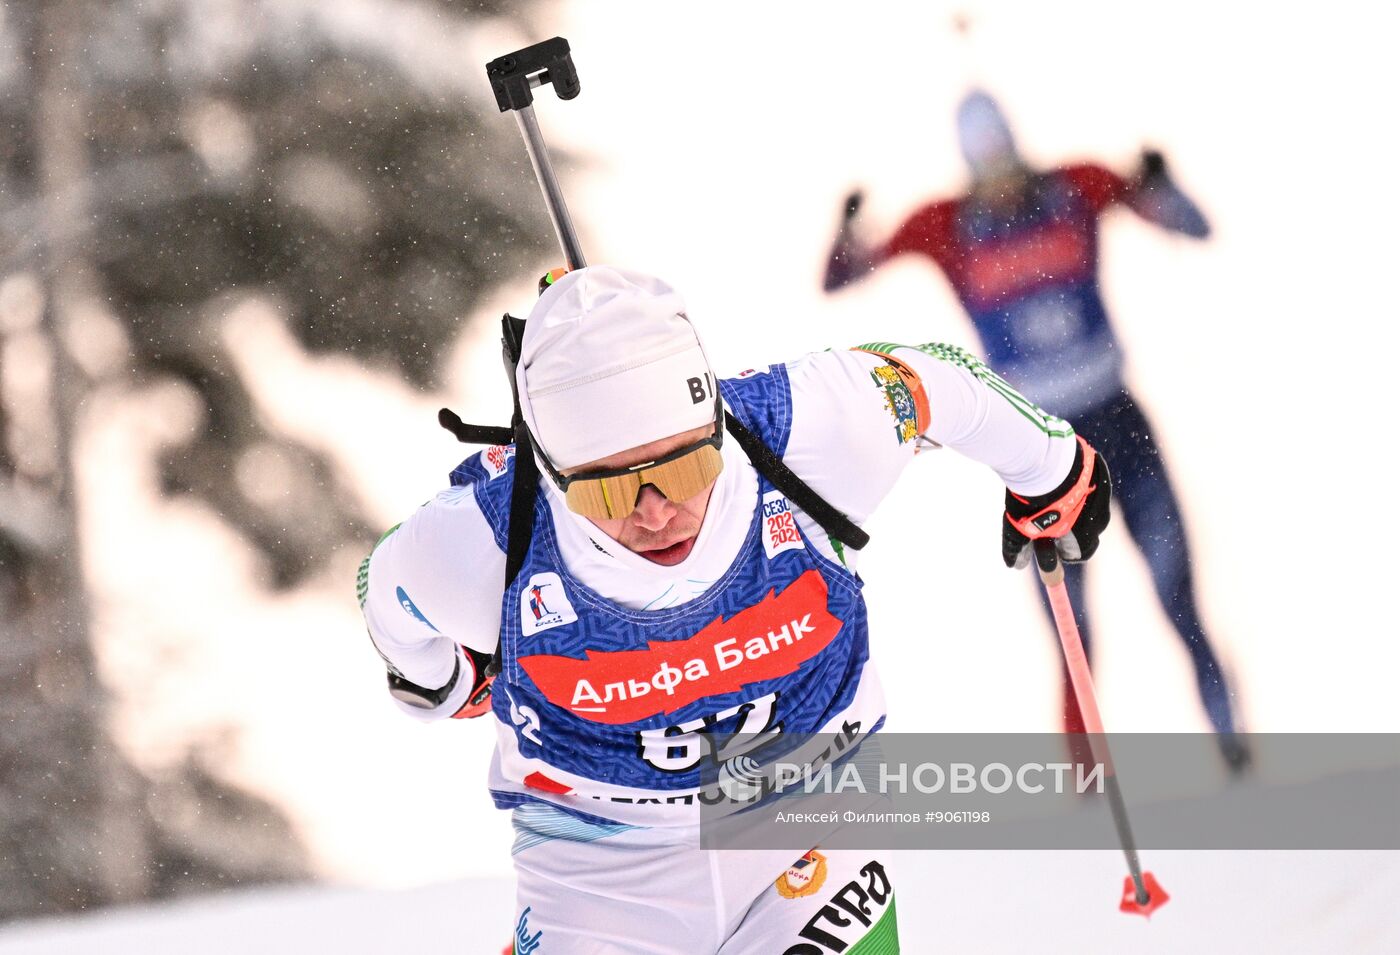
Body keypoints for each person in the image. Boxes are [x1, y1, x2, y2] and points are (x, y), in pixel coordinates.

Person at [357, 265, 1109, 953]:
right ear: (552, 470)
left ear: (713, 420)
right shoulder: (481, 537)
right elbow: (383, 593)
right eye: (609, 491)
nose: (655, 513)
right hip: (599, 883)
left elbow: (938, 384)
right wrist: (442, 677)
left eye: (684, 466)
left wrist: (1053, 468)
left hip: (806, 838)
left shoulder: (803, 426)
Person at [823, 90, 1247, 769]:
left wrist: (1161, 184)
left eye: (1008, 164)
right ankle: (1086, 778)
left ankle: (1232, 738)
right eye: (986, 170)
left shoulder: (1073, 187)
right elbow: (841, 279)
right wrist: (845, 235)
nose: (1003, 184)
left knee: (1176, 587)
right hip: (1039, 444)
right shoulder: (950, 224)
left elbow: (1191, 225)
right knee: (1068, 620)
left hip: (1117, 419)